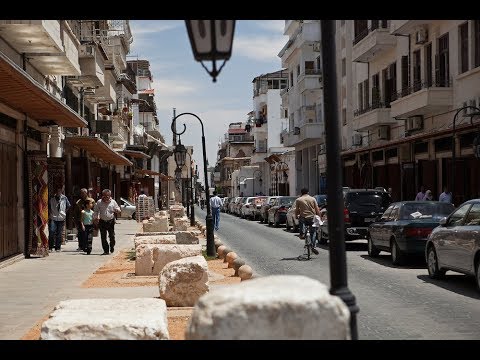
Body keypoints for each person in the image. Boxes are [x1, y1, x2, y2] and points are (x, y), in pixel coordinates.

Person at [93, 189, 121, 255]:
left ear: (110, 195)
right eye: (105, 196)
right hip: (102, 221)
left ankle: (112, 246)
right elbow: (96, 211)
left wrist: (117, 210)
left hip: (110, 221)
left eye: (108, 196)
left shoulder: (113, 202)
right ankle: (106, 250)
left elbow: (118, 208)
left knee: (112, 236)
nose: (106, 197)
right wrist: (95, 218)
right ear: (103, 196)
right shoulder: (99, 202)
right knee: (103, 237)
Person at [294, 188, 320, 255]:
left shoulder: (298, 199)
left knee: (301, 220)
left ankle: (302, 233)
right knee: (313, 232)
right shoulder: (313, 199)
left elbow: (297, 210)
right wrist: (319, 216)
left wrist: (296, 216)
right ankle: (313, 246)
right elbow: (317, 209)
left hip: (303, 217)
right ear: (308, 192)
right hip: (312, 217)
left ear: (301, 193)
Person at [48, 185, 71, 252]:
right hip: (53, 217)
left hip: (61, 217)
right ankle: (50, 247)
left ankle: (58, 247)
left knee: (59, 233)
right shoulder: (52, 198)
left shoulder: (64, 198)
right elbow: (48, 206)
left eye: (60, 191)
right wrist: (50, 213)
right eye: (57, 191)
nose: (59, 192)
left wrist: (64, 212)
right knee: (52, 232)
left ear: (61, 191)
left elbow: (68, 205)